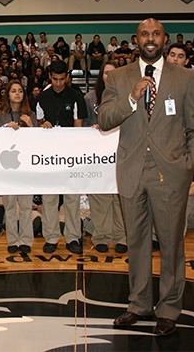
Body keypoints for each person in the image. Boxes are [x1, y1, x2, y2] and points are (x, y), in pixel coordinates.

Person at [98, 18, 194, 336]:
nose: (150, 38)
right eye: (144, 33)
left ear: (164, 39)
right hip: (132, 172)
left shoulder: (184, 77)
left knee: (172, 244)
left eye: (155, 33)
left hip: (170, 173)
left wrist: (190, 163)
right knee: (137, 243)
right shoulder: (118, 77)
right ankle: (139, 304)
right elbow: (104, 119)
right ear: (136, 39)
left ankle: (169, 308)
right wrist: (131, 98)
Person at [36, 60, 88, 254]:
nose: (58, 83)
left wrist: (74, 152)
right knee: (49, 198)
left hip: (69, 155)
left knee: (71, 198)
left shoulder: (76, 96)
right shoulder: (42, 97)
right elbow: (39, 123)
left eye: (61, 79)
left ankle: (73, 237)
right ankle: (51, 237)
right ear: (50, 77)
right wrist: (43, 126)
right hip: (48, 155)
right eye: (55, 79)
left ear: (67, 77)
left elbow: (79, 127)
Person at [84, 62, 127, 253]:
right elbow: (82, 126)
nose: (109, 77)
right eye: (106, 73)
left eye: (113, 73)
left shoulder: (128, 95)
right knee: (100, 195)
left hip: (121, 151)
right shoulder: (90, 98)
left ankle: (122, 237)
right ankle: (101, 236)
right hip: (98, 153)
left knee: (119, 195)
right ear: (101, 75)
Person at [0, 80, 36, 254]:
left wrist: (31, 126)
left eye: (20, 91)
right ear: (8, 94)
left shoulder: (30, 114)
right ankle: (12, 240)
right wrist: (6, 128)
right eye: (13, 91)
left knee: (26, 205)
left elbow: (38, 142)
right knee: (10, 205)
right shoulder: (0, 115)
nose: (17, 94)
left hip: (26, 165)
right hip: (8, 166)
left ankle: (26, 240)